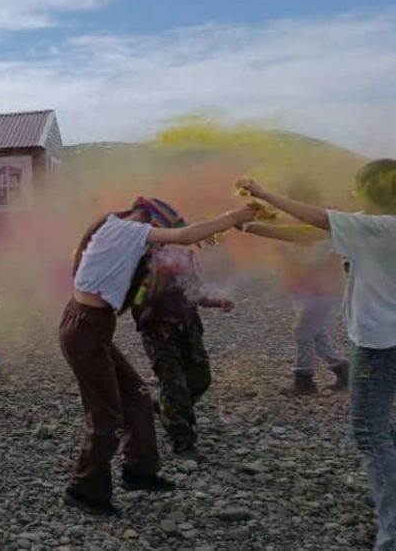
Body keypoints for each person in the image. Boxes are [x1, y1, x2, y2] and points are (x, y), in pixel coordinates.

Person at [61, 196, 257, 516]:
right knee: (106, 414)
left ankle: (140, 471)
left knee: (137, 396)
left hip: (94, 327)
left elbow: (184, 243)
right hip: (86, 329)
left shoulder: (122, 230)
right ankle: (84, 490)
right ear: (147, 219)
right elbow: (184, 236)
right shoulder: (126, 229)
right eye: (159, 231)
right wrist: (234, 216)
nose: (159, 240)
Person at [237, 161, 396, 551]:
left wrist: (264, 193)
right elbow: (307, 233)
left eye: (360, 187)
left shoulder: (384, 226)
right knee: (385, 427)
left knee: (369, 433)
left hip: (381, 345)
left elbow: (317, 218)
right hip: (384, 341)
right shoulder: (372, 224)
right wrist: (247, 226)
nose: (354, 193)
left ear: (376, 191)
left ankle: (391, 531)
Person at [128, 229, 234, 461]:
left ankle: (168, 408)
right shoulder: (140, 258)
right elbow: (134, 298)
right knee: (174, 384)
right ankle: (183, 442)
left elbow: (197, 290)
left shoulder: (186, 256)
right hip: (159, 331)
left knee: (200, 378)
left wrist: (218, 300)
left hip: (188, 326)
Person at [242, 177, 348, 396]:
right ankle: (343, 371)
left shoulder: (326, 220)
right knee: (315, 332)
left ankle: (304, 379)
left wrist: (286, 252)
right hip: (310, 288)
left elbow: (315, 259)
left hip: (324, 289)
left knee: (302, 332)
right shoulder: (311, 218)